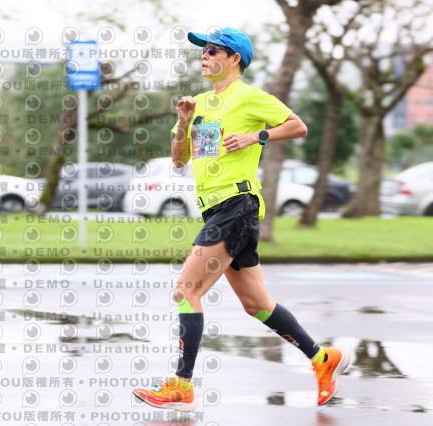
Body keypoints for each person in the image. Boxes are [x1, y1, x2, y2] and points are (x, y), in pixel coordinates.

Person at [133, 27, 350, 411]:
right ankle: (322, 358)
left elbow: (297, 126)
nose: (204, 56)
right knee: (256, 303)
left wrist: (256, 137)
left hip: (237, 205)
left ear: (235, 59)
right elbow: (180, 159)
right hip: (217, 209)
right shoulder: (199, 103)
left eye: (213, 51)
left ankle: (181, 385)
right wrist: (183, 122)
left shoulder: (249, 96)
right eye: (203, 51)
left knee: (187, 290)